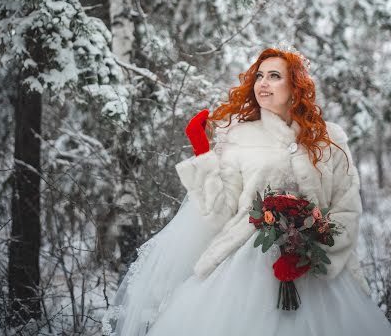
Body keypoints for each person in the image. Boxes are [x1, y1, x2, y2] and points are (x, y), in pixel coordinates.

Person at [101, 46, 391, 336]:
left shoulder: (330, 139)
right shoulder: (239, 136)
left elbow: (347, 208)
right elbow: (221, 212)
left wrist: (310, 253)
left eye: (274, 76)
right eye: (259, 76)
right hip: (245, 268)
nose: (263, 83)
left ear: (295, 86)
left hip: (319, 273)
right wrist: (203, 152)